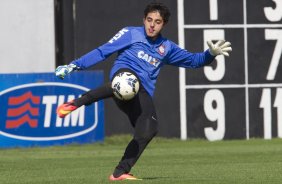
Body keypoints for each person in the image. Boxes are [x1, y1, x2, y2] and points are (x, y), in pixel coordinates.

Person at [55, 2, 232, 181]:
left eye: (157, 21)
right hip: (124, 76)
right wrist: (74, 65)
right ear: (144, 19)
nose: (152, 25)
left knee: (149, 129)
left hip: (141, 93)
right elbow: (102, 52)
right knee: (126, 82)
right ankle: (75, 103)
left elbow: (194, 61)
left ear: (164, 24)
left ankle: (119, 172)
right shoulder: (131, 33)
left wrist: (210, 54)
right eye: (149, 20)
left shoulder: (167, 48)